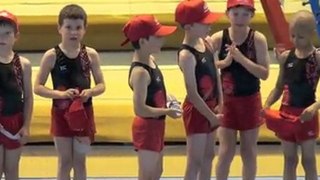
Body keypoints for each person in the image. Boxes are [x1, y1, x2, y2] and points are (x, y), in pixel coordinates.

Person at [34, 4, 105, 180]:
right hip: (61, 115)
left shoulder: (90, 55)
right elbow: (37, 87)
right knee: (65, 162)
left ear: (85, 30)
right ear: (59, 28)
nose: (74, 32)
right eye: (68, 27)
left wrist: (90, 92)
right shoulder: (51, 55)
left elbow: (101, 85)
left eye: (78, 28)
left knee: (80, 162)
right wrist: (61, 95)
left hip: (84, 114)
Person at [210, 0, 269, 179]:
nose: (240, 18)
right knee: (226, 151)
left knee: (248, 151)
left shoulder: (257, 39)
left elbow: (264, 73)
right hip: (226, 101)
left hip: (250, 99)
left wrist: (241, 58)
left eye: (245, 14)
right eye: (236, 14)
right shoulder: (218, 39)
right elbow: (206, 68)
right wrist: (225, 62)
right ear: (228, 14)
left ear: (252, 15)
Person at [121, 14, 181, 180]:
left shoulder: (151, 60)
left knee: (157, 171)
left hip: (157, 125)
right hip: (146, 128)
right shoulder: (140, 72)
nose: (162, 40)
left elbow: (155, 91)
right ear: (142, 42)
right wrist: (167, 111)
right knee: (147, 175)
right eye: (157, 37)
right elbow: (139, 108)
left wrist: (169, 98)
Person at [263, 10, 319, 180]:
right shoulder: (287, 57)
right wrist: (266, 105)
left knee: (308, 160)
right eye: (292, 36)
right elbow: (279, 87)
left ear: (312, 34)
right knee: (289, 159)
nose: (295, 41)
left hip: (306, 115)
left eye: (300, 37)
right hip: (286, 113)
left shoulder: (317, 57)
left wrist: (315, 106)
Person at [175, 0, 223, 179]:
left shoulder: (207, 42)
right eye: (204, 22)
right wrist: (212, 118)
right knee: (195, 160)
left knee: (209, 155)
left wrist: (221, 103)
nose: (210, 24)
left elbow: (216, 73)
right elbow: (193, 94)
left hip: (211, 106)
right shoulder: (186, 55)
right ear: (188, 26)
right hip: (197, 110)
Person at [0, 10, 33, 180]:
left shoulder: (23, 65)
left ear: (16, 36)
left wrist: (26, 126)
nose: (2, 38)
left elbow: (28, 98)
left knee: (12, 171)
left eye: (7, 33)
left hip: (15, 123)